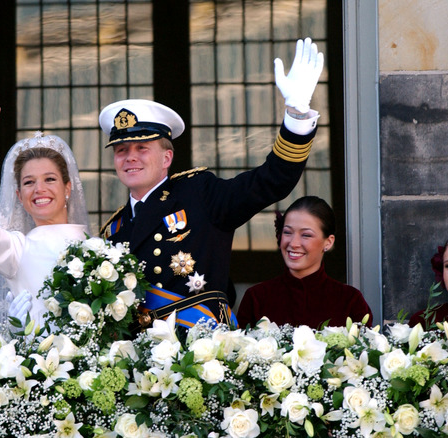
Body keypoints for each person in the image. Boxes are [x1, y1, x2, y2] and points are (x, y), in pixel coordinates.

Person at [99, 38, 324, 330]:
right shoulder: (114, 229)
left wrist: (296, 117)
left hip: (199, 354)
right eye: (121, 150)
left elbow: (271, 180)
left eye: (142, 148)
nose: (130, 157)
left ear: (167, 157)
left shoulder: (200, 194)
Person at [0, 101, 89, 329]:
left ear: (68, 188)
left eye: (50, 179)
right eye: (29, 182)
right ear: (20, 197)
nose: (39, 189)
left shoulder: (98, 247)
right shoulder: (16, 250)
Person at [236, 196, 372, 329]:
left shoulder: (350, 300)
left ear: (328, 242)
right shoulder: (256, 297)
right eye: (287, 232)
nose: (293, 243)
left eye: (306, 235)